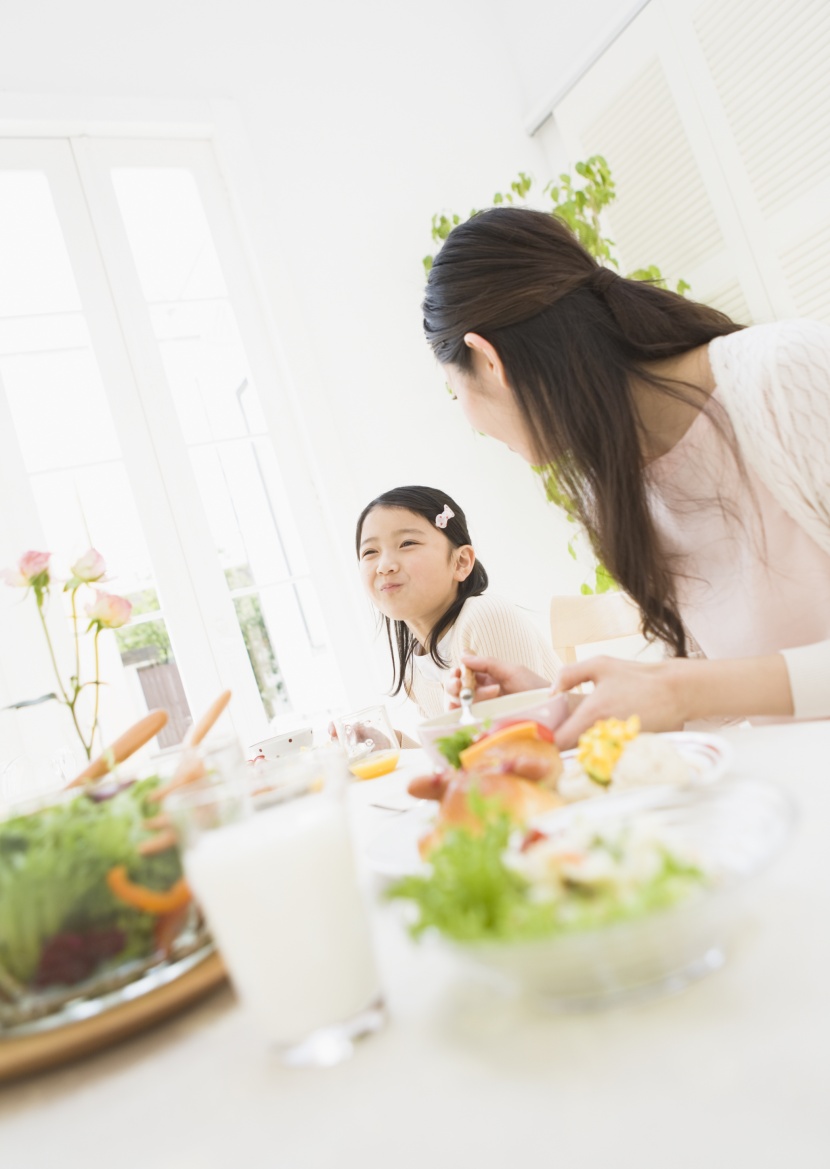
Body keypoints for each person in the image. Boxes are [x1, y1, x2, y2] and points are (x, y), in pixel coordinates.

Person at [422, 206, 830, 748]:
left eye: (456, 392)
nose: (469, 418)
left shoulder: (785, 375)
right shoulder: (615, 482)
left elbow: (706, 691)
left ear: (488, 359)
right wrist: (560, 705)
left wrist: (684, 689)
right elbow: (724, 702)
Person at [356, 485, 560, 719]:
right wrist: (393, 743)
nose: (384, 566)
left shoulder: (485, 617)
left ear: (461, 562)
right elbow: (459, 746)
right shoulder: (415, 666)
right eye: (370, 552)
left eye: (407, 543)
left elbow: (525, 734)